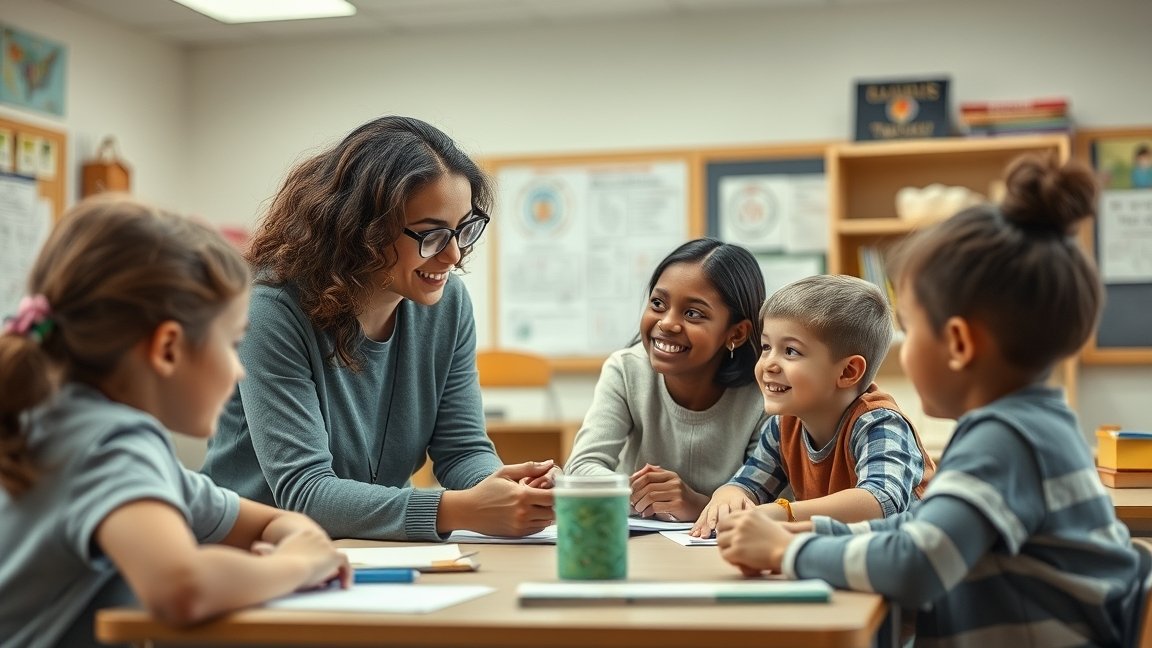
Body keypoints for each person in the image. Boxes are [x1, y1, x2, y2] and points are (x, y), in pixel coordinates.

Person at [716, 154, 1143, 647]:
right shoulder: (1023, 425)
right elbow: (915, 528)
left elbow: (917, 564)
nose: (902, 349)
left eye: (910, 329)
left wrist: (786, 554)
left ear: (958, 343)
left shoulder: (1007, 440)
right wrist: (801, 535)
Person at [0, 196, 350, 648]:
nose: (239, 370)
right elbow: (182, 589)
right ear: (167, 348)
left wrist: (301, 539)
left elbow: (270, 522)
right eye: (232, 344)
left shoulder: (56, 419)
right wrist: (298, 566)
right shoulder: (111, 443)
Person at [201, 116, 556, 542]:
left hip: (369, 549)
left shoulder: (448, 305)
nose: (454, 256)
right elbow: (305, 492)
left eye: (464, 229)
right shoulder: (271, 310)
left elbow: (462, 449)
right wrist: (460, 509)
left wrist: (505, 490)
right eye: (431, 235)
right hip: (253, 552)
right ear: (361, 231)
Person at [691, 274, 935, 537]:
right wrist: (728, 494)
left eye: (791, 351)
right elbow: (749, 484)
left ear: (848, 372)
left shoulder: (880, 423)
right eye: (766, 347)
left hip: (910, 554)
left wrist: (784, 512)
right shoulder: (784, 425)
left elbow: (880, 500)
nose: (769, 364)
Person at [565, 238, 767, 522]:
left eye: (693, 313)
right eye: (658, 303)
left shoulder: (764, 394)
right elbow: (580, 468)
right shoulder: (627, 370)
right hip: (640, 541)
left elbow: (768, 498)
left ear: (736, 333)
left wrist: (696, 505)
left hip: (725, 544)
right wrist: (641, 495)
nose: (667, 323)